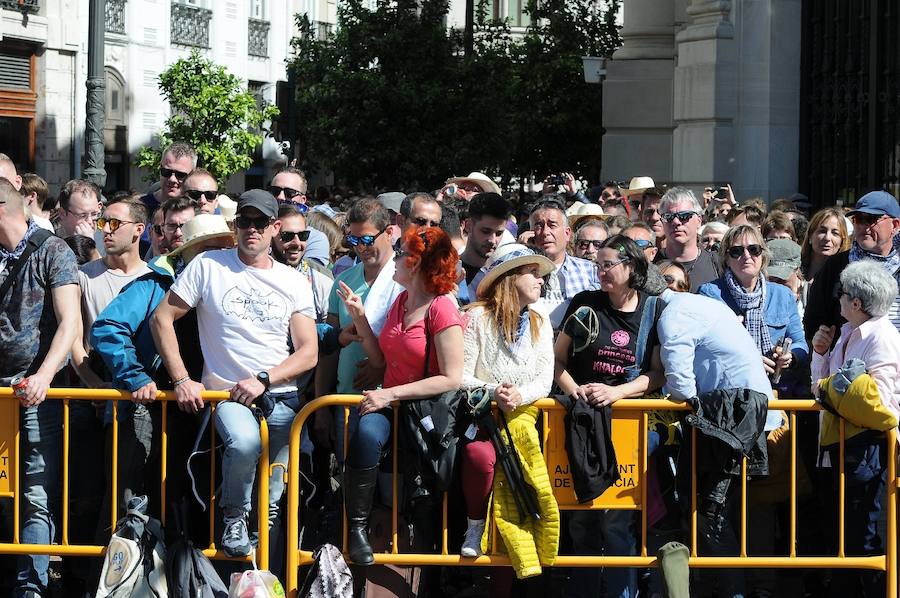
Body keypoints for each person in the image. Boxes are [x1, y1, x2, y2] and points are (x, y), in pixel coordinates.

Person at [151, 189, 318, 557]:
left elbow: (308, 352)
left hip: (279, 396)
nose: (252, 229)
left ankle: (262, 577)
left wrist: (264, 379)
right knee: (243, 444)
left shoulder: (295, 281)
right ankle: (233, 518)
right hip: (228, 396)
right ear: (235, 224)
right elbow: (161, 318)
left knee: (272, 499)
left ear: (275, 228)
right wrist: (181, 379)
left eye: (260, 223)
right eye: (245, 221)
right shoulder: (209, 264)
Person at [337, 226, 464, 565]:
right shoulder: (400, 300)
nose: (395, 259)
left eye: (402, 253)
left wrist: (390, 393)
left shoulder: (442, 309)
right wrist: (360, 318)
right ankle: (358, 530)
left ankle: (432, 575)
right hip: (393, 403)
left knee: (424, 509)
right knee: (365, 433)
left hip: (426, 413)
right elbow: (380, 361)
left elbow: (451, 378)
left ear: (417, 263)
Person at [554, 235, 666, 598]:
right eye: (597, 265)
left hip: (628, 424)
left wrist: (616, 392)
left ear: (630, 267)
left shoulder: (654, 309)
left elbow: (657, 373)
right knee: (583, 518)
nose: (599, 272)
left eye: (607, 265)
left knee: (617, 520)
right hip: (582, 421)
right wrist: (576, 390)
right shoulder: (585, 304)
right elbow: (555, 360)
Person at [656, 291, 775, 598]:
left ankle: (734, 592)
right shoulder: (700, 306)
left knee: (713, 517)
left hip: (731, 428)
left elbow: (681, 386)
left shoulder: (675, 313)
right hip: (734, 425)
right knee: (715, 517)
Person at [0, 178, 81, 597]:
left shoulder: (53, 250)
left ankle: (29, 587)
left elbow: (69, 322)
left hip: (33, 392)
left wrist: (45, 376)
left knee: (33, 491)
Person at [460, 244, 559, 582]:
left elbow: (544, 380)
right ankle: (474, 527)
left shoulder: (540, 320)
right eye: (533, 273)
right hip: (482, 415)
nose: (541, 281)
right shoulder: (476, 318)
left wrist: (518, 396)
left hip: (524, 417)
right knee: (478, 456)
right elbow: (460, 374)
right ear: (510, 277)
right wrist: (494, 393)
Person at [810, 261, 900, 598]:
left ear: (857, 302)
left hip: (871, 449)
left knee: (867, 538)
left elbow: (879, 401)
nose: (839, 300)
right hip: (843, 447)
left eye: (842, 294)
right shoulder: (847, 333)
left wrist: (830, 390)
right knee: (847, 538)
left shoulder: (883, 337)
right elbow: (821, 387)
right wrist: (820, 353)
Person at [698, 225, 808, 418]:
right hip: (727, 397)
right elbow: (704, 349)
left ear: (763, 255)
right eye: (736, 251)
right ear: (726, 258)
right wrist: (748, 361)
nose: (746, 256)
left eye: (754, 249)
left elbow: (800, 343)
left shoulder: (782, 295)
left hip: (772, 396)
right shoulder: (710, 294)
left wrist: (789, 357)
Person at [805, 191, 900, 339]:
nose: (863, 226)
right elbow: (814, 321)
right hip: (848, 358)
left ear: (894, 225)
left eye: (870, 219)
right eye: (858, 219)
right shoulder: (836, 265)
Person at [527, 197, 600, 329]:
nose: (545, 232)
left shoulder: (591, 271)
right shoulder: (520, 272)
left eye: (552, 225)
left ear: (567, 234)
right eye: (539, 225)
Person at [656, 187, 720, 292]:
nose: (676, 222)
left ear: (699, 221)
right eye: (668, 216)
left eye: (684, 216)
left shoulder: (717, 264)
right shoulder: (652, 263)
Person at [459, 192, 513, 286]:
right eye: (485, 231)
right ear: (468, 226)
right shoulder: (449, 272)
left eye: (499, 233)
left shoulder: (506, 277)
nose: (493, 240)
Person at [141, 142, 197, 217]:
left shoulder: (200, 209)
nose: (172, 179)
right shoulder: (140, 208)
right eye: (166, 172)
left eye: (180, 175)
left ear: (192, 174)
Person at [800, 207, 850, 283]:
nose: (827, 238)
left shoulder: (846, 277)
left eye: (835, 233)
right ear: (810, 236)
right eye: (822, 231)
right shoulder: (794, 269)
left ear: (842, 241)